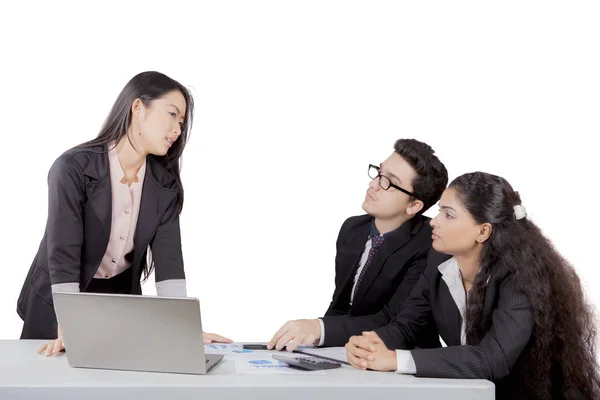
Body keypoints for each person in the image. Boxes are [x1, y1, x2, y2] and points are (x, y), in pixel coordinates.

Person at [17, 71, 231, 356]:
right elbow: (63, 251)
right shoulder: (71, 168)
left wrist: (183, 328)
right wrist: (68, 322)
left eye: (181, 122)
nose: (178, 129)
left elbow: (169, 262)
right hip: (60, 300)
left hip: (118, 304)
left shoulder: (164, 183)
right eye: (171, 114)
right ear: (138, 108)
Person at [345, 172, 600, 399]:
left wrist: (394, 359)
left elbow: (492, 359)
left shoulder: (520, 277)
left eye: (448, 214)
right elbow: (407, 325)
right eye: (439, 211)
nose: (434, 221)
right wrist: (370, 345)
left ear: (483, 232)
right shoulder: (437, 261)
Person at [268, 139, 448, 351]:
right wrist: (315, 343)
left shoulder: (432, 243)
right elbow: (341, 305)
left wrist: (321, 328)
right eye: (378, 173)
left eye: (388, 182)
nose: (373, 185)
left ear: (414, 206)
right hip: (354, 348)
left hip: (404, 354)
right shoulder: (353, 229)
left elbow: (393, 320)